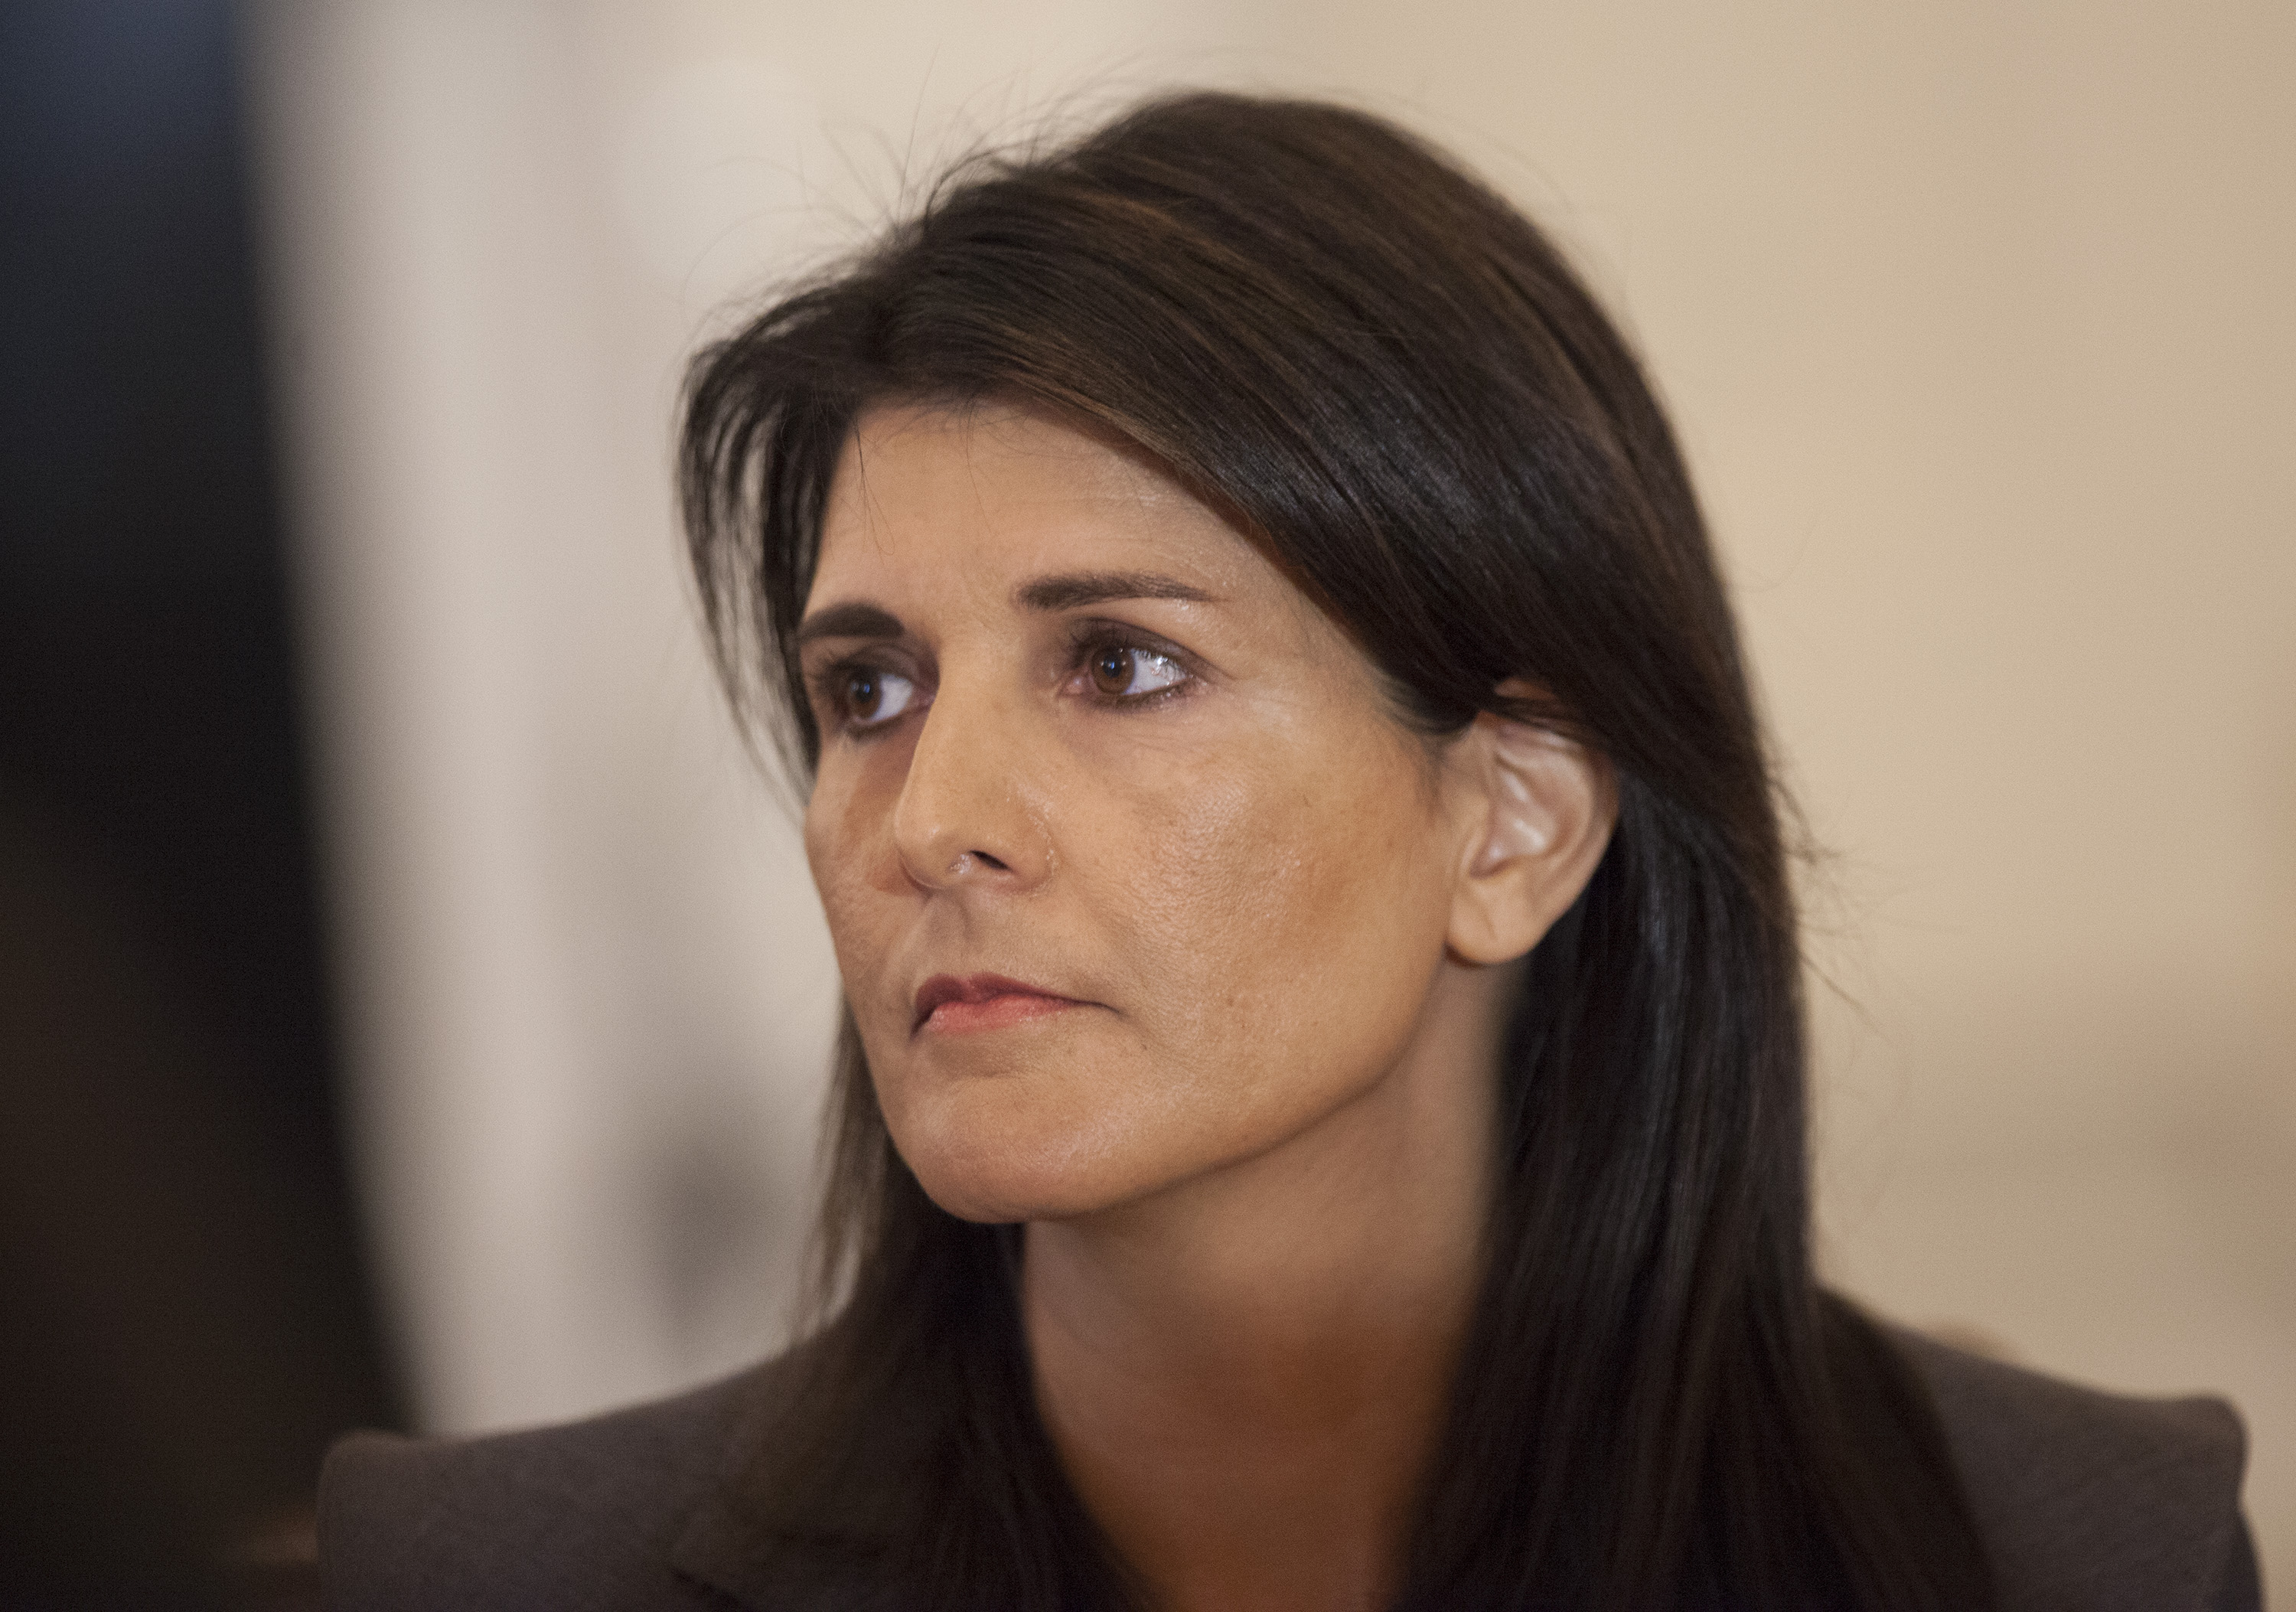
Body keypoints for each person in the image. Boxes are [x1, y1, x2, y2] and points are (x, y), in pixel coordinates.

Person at [317, 93, 2258, 1612]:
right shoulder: (494, 1576)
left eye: (1123, 663)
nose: (931, 823)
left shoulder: (2077, 1556)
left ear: (1514, 819)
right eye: (871, 690)